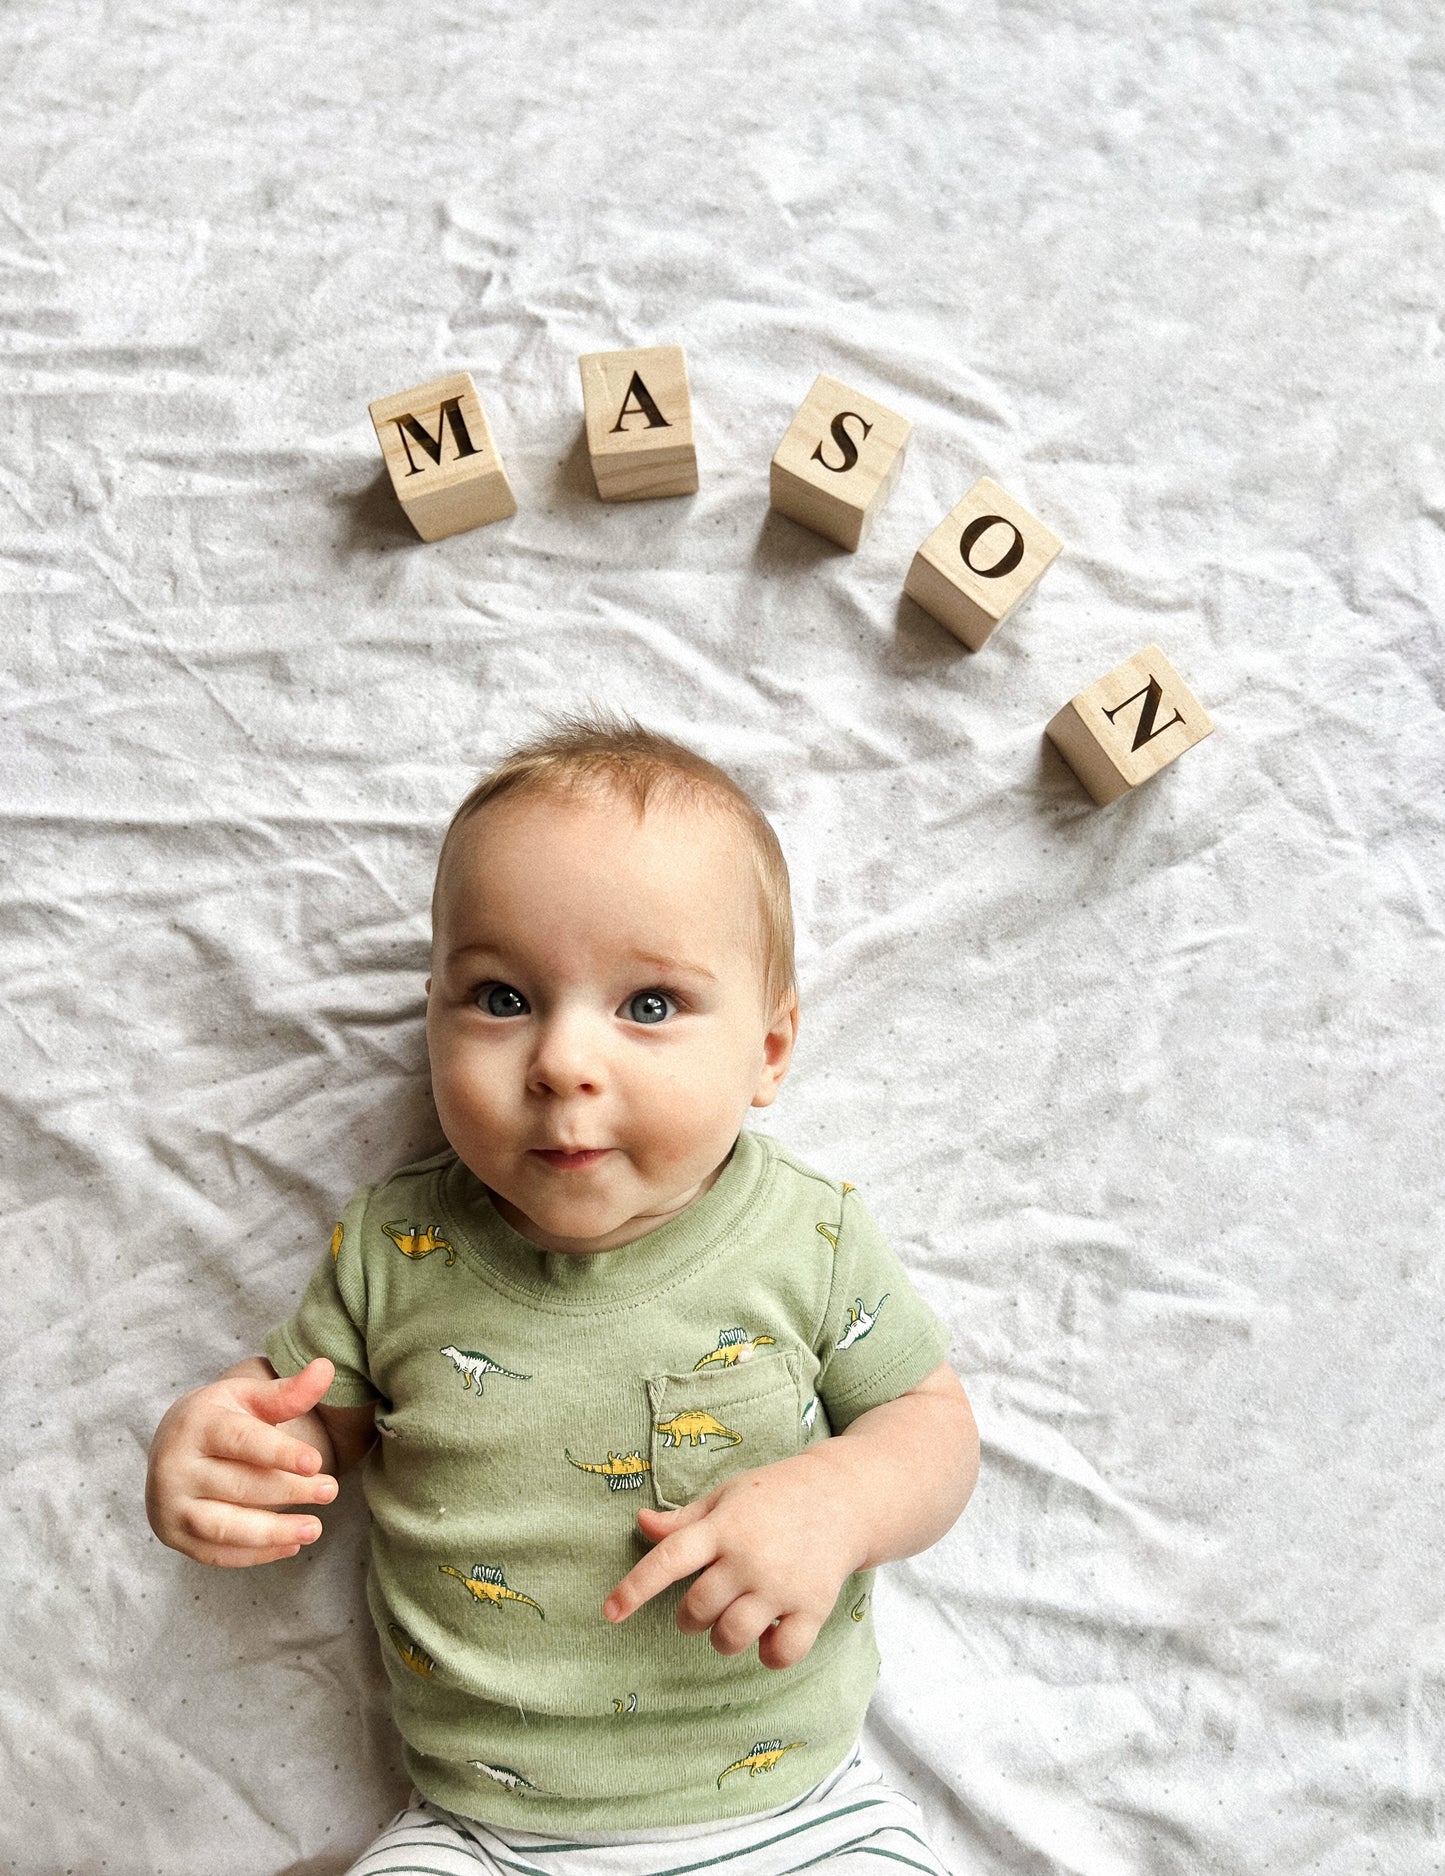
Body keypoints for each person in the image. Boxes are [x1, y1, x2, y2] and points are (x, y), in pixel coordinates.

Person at [146, 715, 979, 1873]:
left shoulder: (813, 1235)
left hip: (793, 1810)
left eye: (647, 1006)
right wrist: (219, 1441)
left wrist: (838, 1500)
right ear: (431, 1011)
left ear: (770, 1050)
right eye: (499, 997)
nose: (560, 1062)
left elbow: (932, 1428)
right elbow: (302, 1418)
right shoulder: (394, 1245)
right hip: (482, 1837)